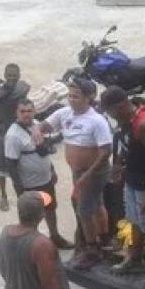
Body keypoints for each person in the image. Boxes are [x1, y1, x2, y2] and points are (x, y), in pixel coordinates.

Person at [101, 86, 145, 287]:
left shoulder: (144, 126)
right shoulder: (125, 121)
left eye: (111, 111)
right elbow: (127, 145)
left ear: (122, 105)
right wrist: (119, 165)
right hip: (134, 179)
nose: (110, 116)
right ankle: (135, 259)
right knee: (134, 220)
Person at [39, 79, 112, 270]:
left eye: (76, 96)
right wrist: (36, 131)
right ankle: (105, 239)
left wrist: (87, 175)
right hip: (78, 172)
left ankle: (92, 250)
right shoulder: (64, 114)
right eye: (70, 96)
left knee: (84, 211)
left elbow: (105, 151)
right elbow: (44, 126)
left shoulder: (97, 121)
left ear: (89, 98)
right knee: (96, 205)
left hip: (93, 172)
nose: (71, 100)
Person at [5, 99, 73, 249]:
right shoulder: (13, 136)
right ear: (16, 113)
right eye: (22, 111)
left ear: (34, 111)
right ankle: (29, 245)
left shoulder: (37, 125)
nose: (26, 114)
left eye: (29, 111)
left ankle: (55, 236)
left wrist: (52, 170)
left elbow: (43, 153)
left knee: (50, 209)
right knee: (30, 217)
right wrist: (19, 189)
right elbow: (10, 163)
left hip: (45, 181)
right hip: (29, 186)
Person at [0, 63, 29, 212]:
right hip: (1, 131)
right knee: (1, 164)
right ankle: (3, 195)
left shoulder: (22, 89)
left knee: (21, 163)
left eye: (14, 75)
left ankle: (22, 195)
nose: (12, 78)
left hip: (18, 129)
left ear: (19, 76)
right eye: (9, 75)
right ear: (4, 75)